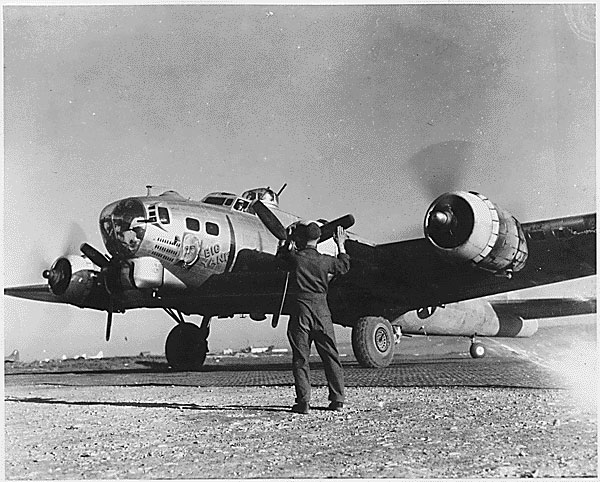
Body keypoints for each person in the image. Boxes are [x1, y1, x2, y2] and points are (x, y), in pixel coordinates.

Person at [278, 222, 351, 414]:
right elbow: (343, 266)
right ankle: (337, 399)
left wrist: (287, 240)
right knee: (331, 356)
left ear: (303, 239)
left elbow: (281, 258)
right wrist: (341, 245)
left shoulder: (296, 259)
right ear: (319, 239)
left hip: (300, 310)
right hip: (322, 311)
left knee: (301, 358)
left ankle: (303, 402)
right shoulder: (325, 261)